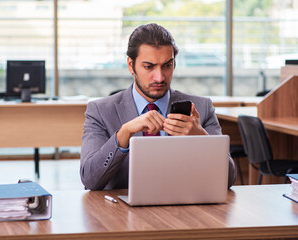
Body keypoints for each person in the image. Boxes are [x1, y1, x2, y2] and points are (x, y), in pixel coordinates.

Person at [80, 23, 236, 190]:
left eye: (167, 65)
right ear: (131, 65)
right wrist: (124, 134)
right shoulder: (100, 111)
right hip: (122, 212)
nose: (160, 77)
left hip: (184, 210)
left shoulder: (201, 108)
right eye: (149, 67)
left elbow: (228, 179)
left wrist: (202, 139)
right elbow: (90, 179)